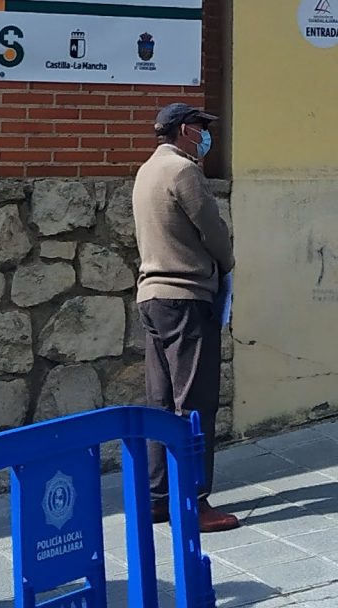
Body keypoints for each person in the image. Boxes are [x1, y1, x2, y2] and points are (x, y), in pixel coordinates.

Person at [134, 102, 241, 532]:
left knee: (161, 403)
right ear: (181, 131)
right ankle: (194, 500)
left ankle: (158, 497)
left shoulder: (145, 172)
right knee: (195, 402)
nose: (204, 136)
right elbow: (212, 230)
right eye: (200, 128)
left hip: (152, 297)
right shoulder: (183, 172)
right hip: (186, 295)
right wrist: (228, 263)